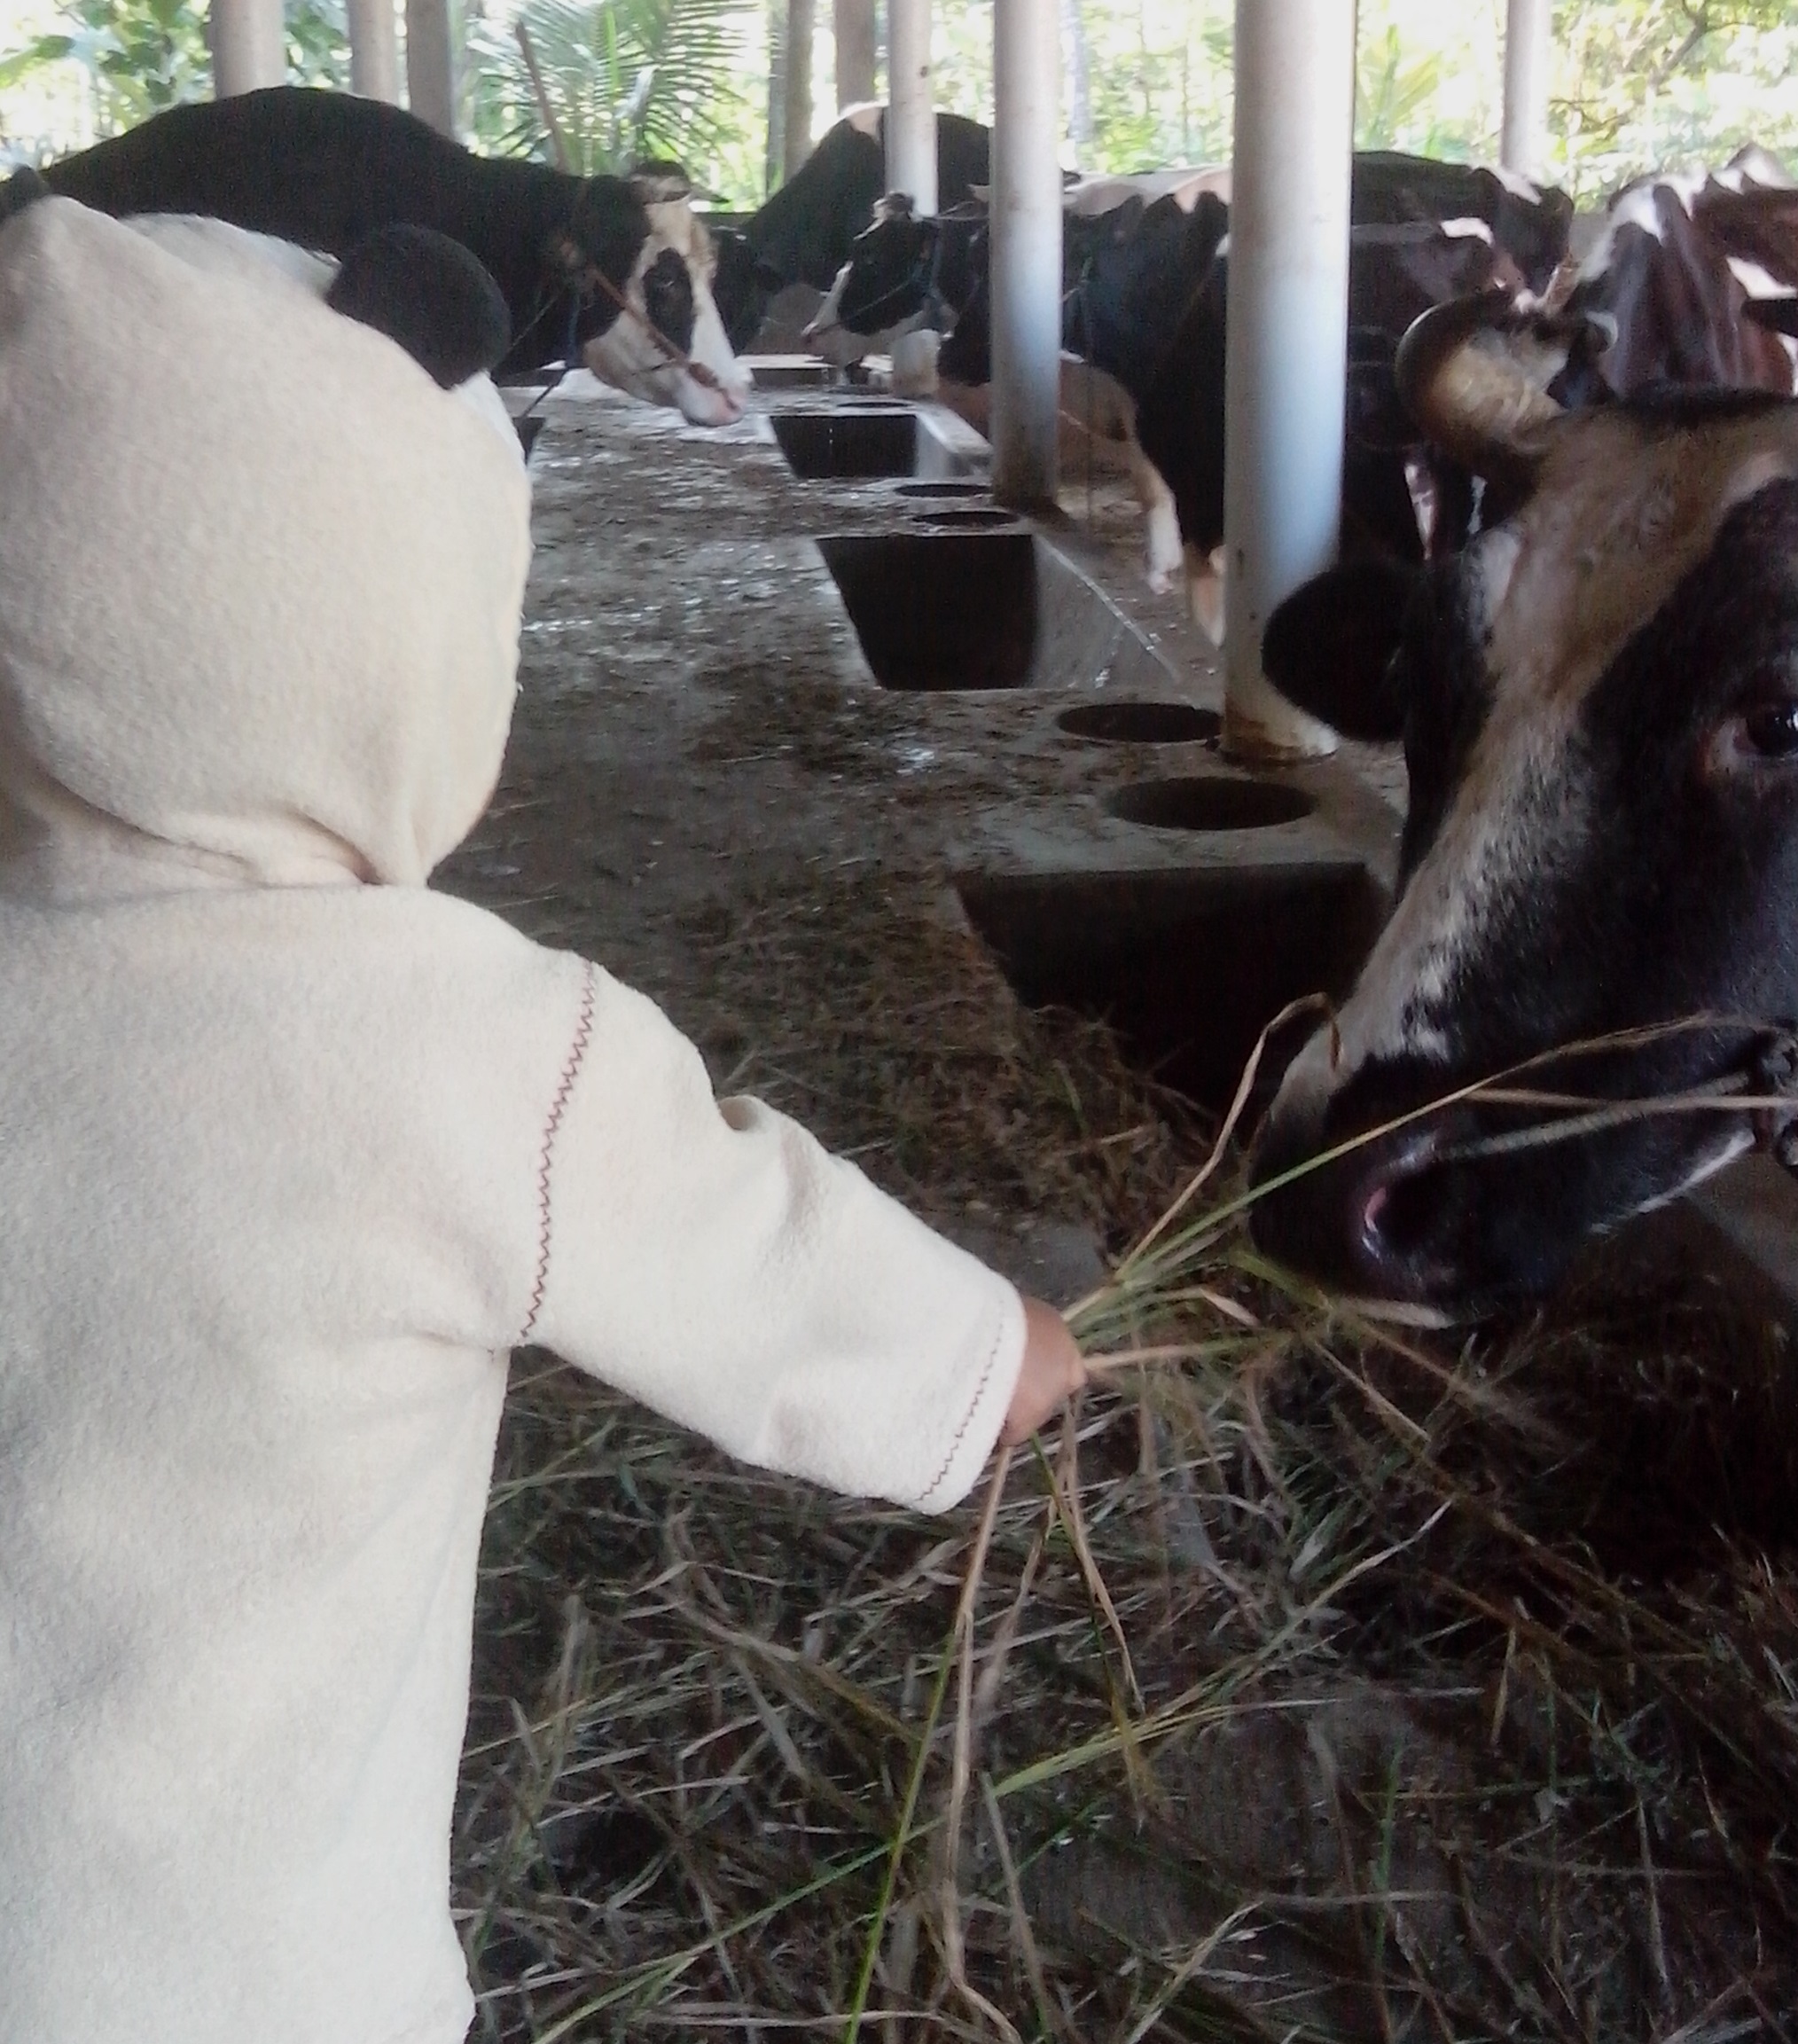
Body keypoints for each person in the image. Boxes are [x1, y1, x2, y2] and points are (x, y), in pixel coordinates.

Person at [0, 192, 1085, 2044]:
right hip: (258, 1983)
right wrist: (1001, 1358)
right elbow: (771, 1271)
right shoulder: (472, 1044)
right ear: (401, 633)